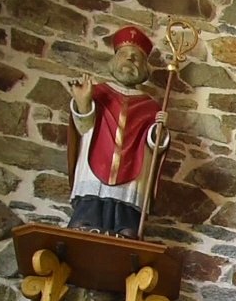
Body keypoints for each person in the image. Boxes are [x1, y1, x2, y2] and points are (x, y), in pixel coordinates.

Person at [67, 25, 168, 237]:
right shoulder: (98, 93)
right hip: (95, 163)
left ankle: (125, 228)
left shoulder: (150, 107)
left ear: (144, 68)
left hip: (133, 170)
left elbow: (154, 146)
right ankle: (86, 221)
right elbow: (83, 128)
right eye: (125, 54)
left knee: (127, 219)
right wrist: (84, 103)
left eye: (137, 57)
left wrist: (160, 130)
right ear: (114, 60)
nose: (130, 60)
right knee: (88, 213)